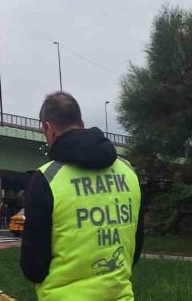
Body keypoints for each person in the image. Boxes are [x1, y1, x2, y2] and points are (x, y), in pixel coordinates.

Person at [20, 92, 143, 301]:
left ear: (48, 129)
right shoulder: (128, 172)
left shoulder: (46, 180)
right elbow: (135, 250)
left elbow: (34, 268)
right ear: (82, 123)